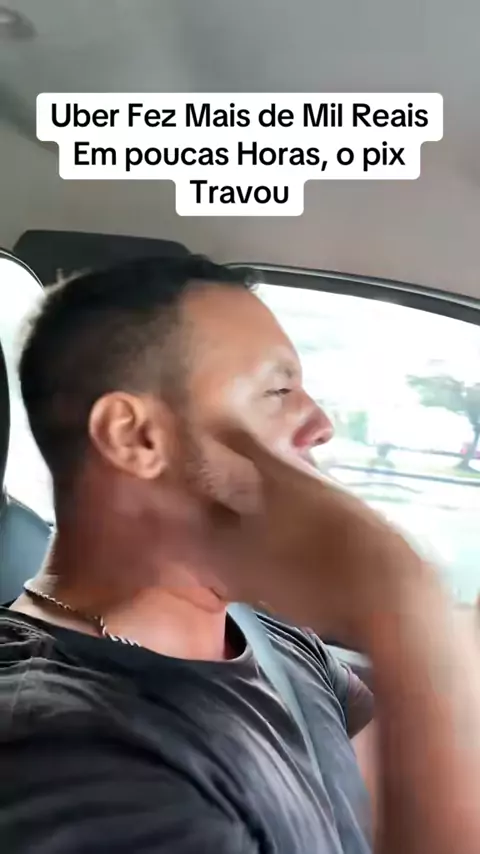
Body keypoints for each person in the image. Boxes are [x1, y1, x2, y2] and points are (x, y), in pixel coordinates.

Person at [0, 256, 479, 854]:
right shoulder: (56, 751)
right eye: (278, 391)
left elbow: (382, 809)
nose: (322, 425)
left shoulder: (271, 637)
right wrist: (401, 600)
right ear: (135, 437)